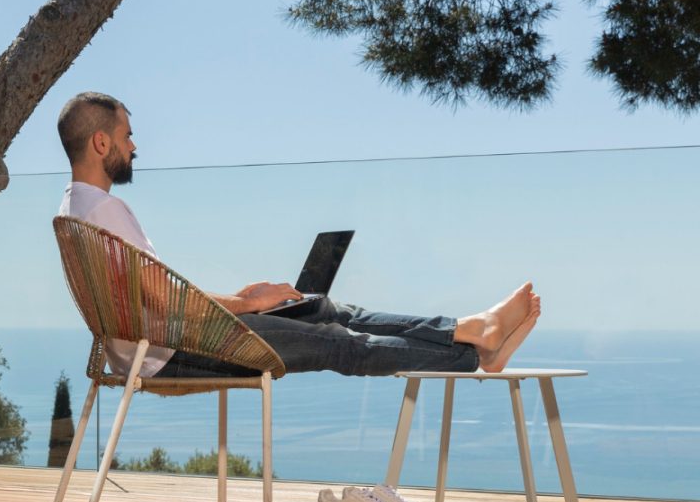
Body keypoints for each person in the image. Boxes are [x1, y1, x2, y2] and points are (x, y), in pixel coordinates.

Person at [55, 91, 540, 380]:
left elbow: (151, 296)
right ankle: (472, 352)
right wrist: (246, 304)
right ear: (101, 141)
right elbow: (162, 297)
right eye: (127, 136)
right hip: (171, 351)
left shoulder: (75, 209)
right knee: (337, 341)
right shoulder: (106, 212)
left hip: (159, 343)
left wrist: (243, 299)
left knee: (321, 307)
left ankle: (468, 331)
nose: (134, 146)